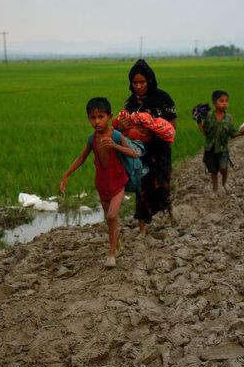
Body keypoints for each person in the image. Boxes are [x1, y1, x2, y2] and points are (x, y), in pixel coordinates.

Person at [59, 97, 140, 268]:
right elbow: (81, 158)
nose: (97, 121)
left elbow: (134, 154)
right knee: (110, 220)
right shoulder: (92, 139)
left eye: (101, 117)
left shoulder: (116, 136)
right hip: (102, 185)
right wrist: (66, 174)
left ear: (109, 116)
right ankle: (117, 243)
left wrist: (115, 146)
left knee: (111, 216)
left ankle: (111, 253)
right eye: (93, 118)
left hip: (118, 183)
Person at [124, 59, 177, 235]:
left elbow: (173, 124)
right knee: (142, 188)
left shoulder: (163, 99)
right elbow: (124, 127)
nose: (138, 86)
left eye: (142, 82)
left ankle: (169, 209)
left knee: (162, 186)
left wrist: (154, 128)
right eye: (135, 82)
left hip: (160, 151)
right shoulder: (131, 103)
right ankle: (142, 229)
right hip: (140, 154)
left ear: (150, 80)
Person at [199, 90, 243, 193]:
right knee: (213, 171)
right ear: (214, 103)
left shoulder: (229, 118)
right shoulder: (209, 117)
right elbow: (205, 132)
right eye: (221, 101)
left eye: (226, 101)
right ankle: (215, 189)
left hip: (223, 149)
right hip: (210, 148)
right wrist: (198, 122)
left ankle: (224, 183)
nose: (224, 103)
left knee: (224, 168)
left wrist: (241, 132)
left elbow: (231, 133)